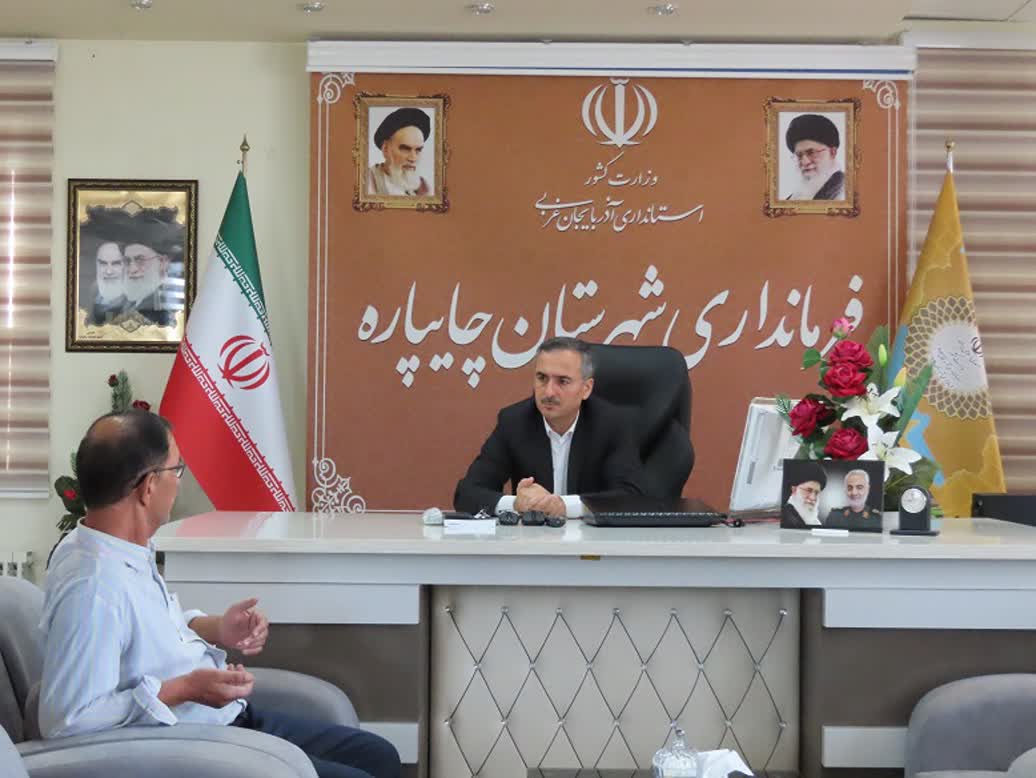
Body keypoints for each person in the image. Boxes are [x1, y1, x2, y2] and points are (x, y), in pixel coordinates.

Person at [39, 410, 401, 778]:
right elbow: (67, 720)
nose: (179, 484)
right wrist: (184, 689)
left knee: (378, 756)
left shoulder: (118, 546)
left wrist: (217, 628)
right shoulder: (94, 588)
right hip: (195, 748)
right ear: (148, 487)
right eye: (176, 470)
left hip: (224, 719)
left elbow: (145, 632)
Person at [454, 337, 643, 517]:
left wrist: (563, 506)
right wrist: (516, 504)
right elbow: (466, 494)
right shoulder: (514, 422)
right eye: (542, 378)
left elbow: (633, 497)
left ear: (586, 388)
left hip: (592, 537)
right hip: (534, 538)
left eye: (563, 381)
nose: (549, 392)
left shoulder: (612, 424)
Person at [367, 107, 432, 197]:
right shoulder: (367, 181)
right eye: (405, 149)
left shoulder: (423, 187)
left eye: (418, 150)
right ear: (386, 149)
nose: (413, 158)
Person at [784, 113, 845, 201]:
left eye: (811, 153)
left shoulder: (845, 191)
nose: (804, 162)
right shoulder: (794, 197)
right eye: (799, 155)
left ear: (832, 152)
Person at [88, 240, 128, 325]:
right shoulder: (94, 292)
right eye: (103, 263)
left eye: (116, 263)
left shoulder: (138, 301)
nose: (109, 271)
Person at [781, 462, 826, 528]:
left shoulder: (814, 520)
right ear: (794, 490)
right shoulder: (786, 518)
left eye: (816, 493)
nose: (813, 498)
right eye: (808, 490)